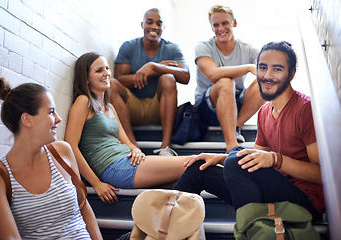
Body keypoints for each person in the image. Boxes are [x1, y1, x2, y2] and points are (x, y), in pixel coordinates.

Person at [173, 41, 325, 220]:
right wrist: (219, 158)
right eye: (262, 68)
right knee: (198, 168)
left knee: (235, 157)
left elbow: (321, 175)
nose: (267, 76)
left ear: (291, 74)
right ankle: (155, 230)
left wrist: (276, 160)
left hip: (304, 201)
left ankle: (250, 230)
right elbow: (254, 157)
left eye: (277, 69)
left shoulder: (305, 109)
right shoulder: (264, 112)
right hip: (272, 194)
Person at [0, 78, 102, 239]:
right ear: (27, 119)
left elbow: (84, 208)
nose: (59, 119)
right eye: (51, 111)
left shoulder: (63, 151)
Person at [64, 52, 190, 204]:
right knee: (193, 163)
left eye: (107, 69)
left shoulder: (109, 107)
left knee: (184, 179)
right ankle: (223, 161)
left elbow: (126, 141)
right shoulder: (83, 102)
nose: (106, 74)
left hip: (128, 161)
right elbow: (70, 145)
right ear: (86, 79)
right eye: (99, 71)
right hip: (114, 167)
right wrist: (96, 183)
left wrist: (135, 149)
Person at [109, 8, 190, 156]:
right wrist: (150, 72)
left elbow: (185, 76)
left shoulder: (172, 49)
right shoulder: (129, 46)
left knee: (168, 78)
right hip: (131, 107)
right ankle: (132, 145)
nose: (154, 26)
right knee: (111, 84)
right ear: (142, 24)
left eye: (159, 23)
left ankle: (166, 146)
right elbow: (119, 79)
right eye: (149, 22)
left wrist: (155, 67)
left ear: (163, 28)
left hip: (158, 108)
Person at [195, 4, 265, 153]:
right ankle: (232, 146)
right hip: (207, 108)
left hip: (236, 104)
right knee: (226, 82)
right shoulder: (203, 47)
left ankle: (236, 127)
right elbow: (213, 74)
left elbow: (268, 67)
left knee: (263, 82)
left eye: (225, 23)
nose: (221, 28)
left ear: (234, 23)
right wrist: (248, 67)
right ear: (212, 27)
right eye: (216, 25)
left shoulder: (248, 49)